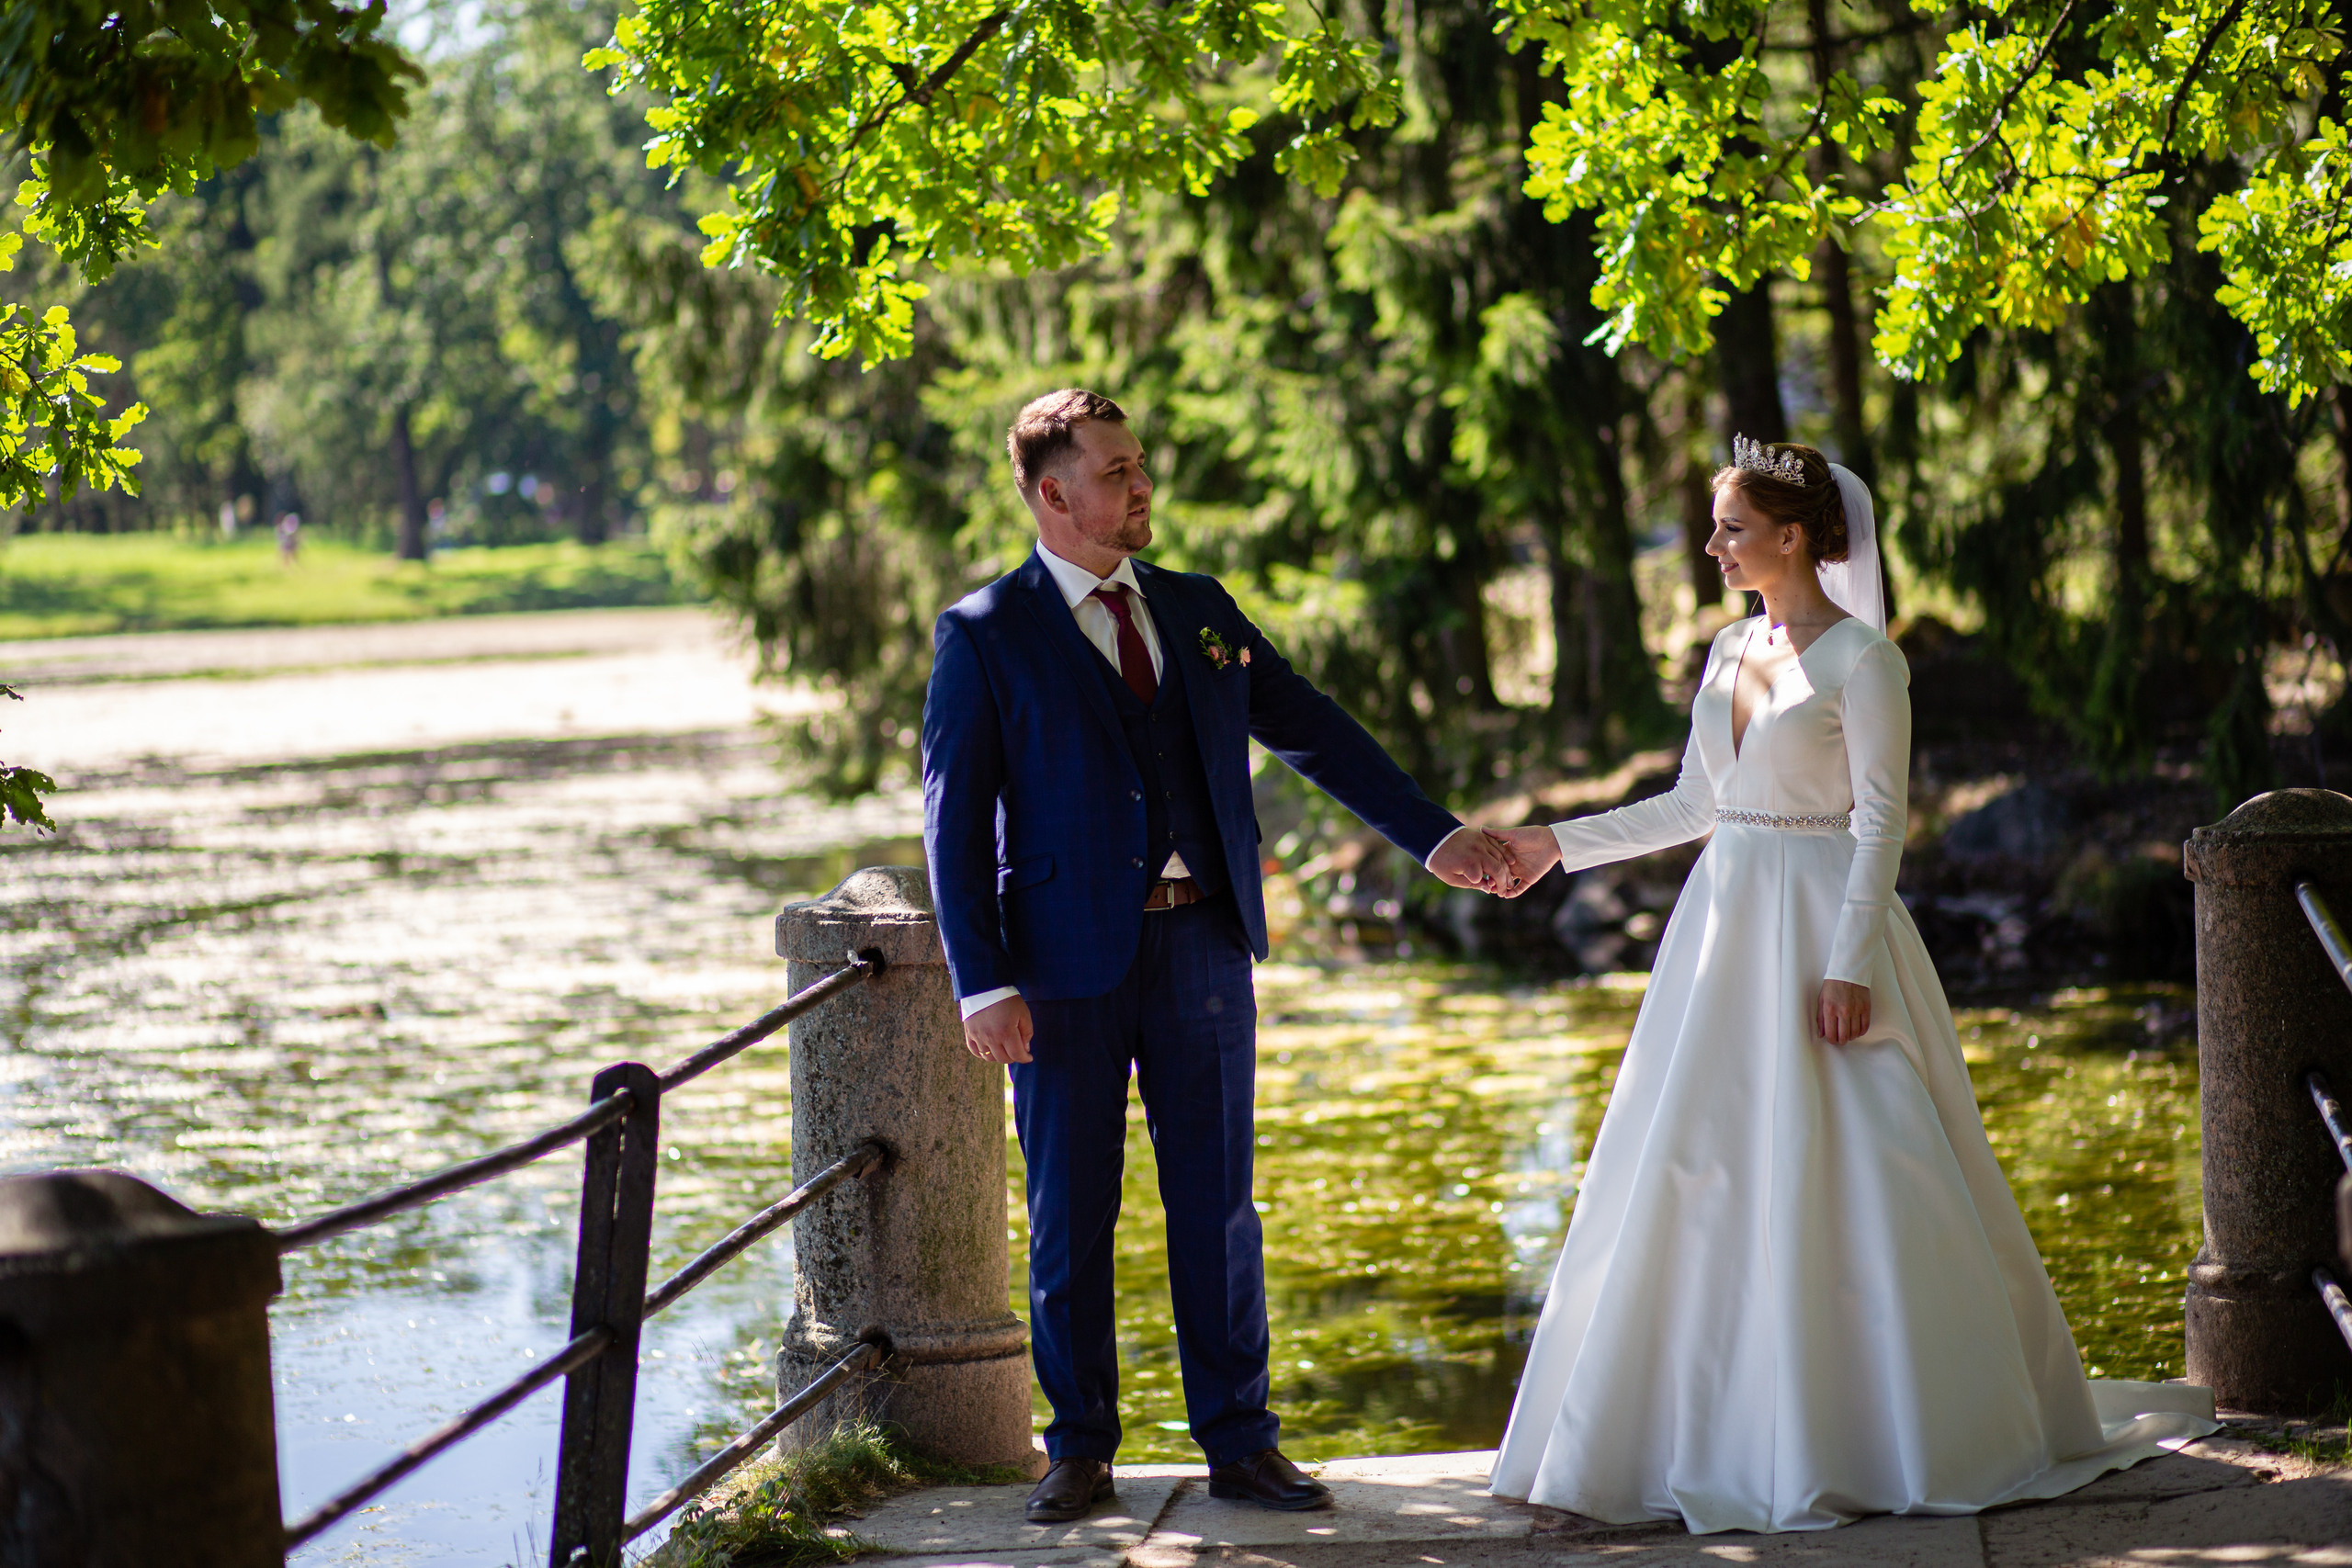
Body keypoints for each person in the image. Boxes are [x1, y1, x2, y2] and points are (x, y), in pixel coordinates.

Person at [1481, 438, 2217, 1534]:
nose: (1711, 543)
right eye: (1715, 524)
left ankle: (1886, 1429)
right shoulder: (1729, 648)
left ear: (1793, 537)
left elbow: (1882, 820)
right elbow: (1693, 804)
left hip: (1824, 924)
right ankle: (1702, 1430)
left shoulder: (1865, 661)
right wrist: (1553, 843)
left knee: (1869, 1170)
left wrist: (1847, 962)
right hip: (1721, 933)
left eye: (1731, 526)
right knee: (1696, 1165)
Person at [922, 389, 1521, 1526]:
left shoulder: (1199, 610)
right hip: (1057, 973)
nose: (1140, 486)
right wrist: (982, 979)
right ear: (1054, 495)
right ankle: (1080, 1450)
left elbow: (1315, 728)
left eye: (1139, 464)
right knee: (1069, 1214)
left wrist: (1435, 838)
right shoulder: (985, 632)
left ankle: (1240, 1445)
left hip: (1203, 945)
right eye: (1115, 471)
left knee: (1219, 1208)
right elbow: (953, 821)